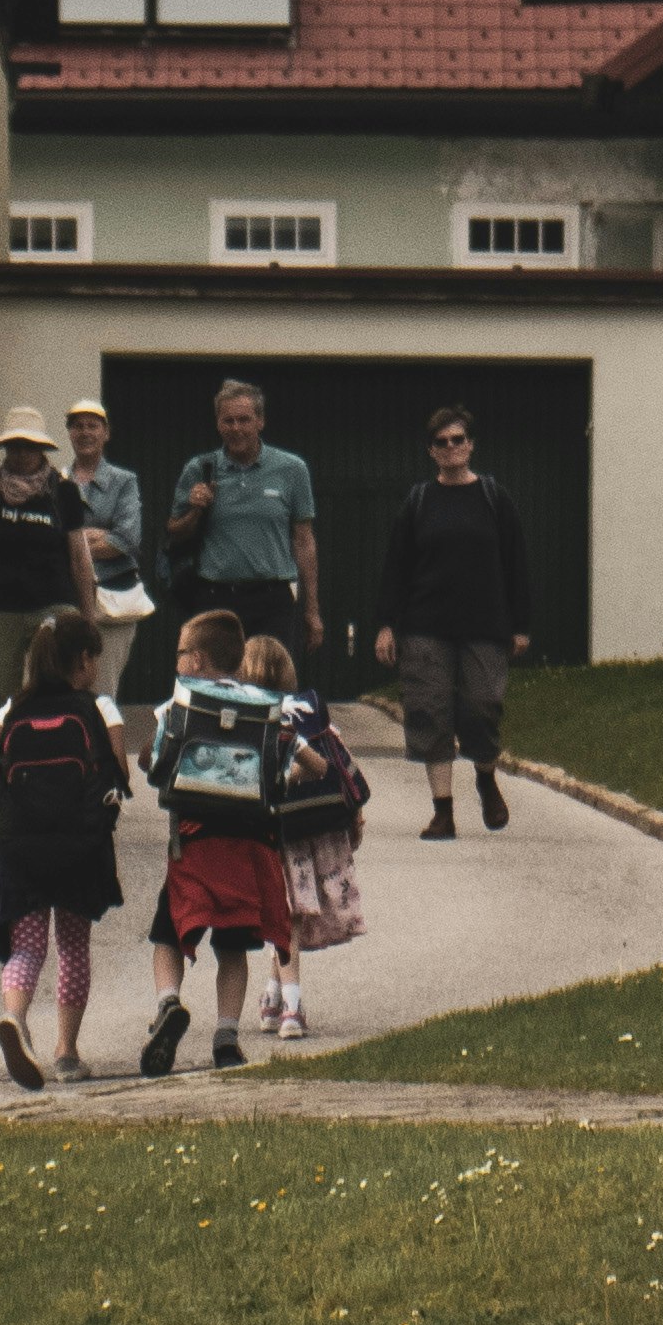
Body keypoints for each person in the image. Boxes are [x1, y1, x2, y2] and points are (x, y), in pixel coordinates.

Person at [138, 606, 297, 1079]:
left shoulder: (179, 705)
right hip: (250, 845)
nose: (177, 662)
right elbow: (282, 770)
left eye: (182, 653)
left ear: (200, 661)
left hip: (195, 843)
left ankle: (169, 1004)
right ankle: (227, 1037)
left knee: (168, 933)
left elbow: (156, 764)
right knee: (233, 949)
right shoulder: (268, 706)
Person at [0, 613, 129, 1087]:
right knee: (73, 946)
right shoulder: (100, 708)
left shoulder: (10, 711)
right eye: (95, 659)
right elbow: (118, 773)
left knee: (27, 947)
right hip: (80, 846)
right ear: (83, 660)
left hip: (21, 847)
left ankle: (15, 1020)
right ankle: (66, 1052)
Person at [372, 401, 533, 839]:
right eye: (441, 442)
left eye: (457, 439)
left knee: (482, 707)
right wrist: (387, 624)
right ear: (431, 451)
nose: (450, 447)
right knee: (429, 711)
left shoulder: (493, 498)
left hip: (484, 625)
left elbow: (516, 562)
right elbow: (397, 567)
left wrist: (520, 625)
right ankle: (442, 810)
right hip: (426, 626)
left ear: (471, 444)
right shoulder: (419, 501)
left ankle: (485, 775)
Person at [242, 633, 369, 1042]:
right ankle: (273, 994)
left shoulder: (250, 719)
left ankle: (290, 1009)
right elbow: (340, 761)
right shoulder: (312, 711)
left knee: (287, 917)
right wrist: (355, 814)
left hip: (282, 832)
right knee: (290, 917)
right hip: (322, 826)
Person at [0, 406, 102, 713]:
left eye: (28, 446)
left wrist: (88, 621)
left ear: (42, 449)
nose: (20, 454)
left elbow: (79, 560)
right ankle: (0, 757)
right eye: (14, 446)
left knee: (55, 692)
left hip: (52, 605)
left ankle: (49, 753)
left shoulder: (63, 491)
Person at [163, 377, 321, 668]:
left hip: (272, 600)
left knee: (271, 689)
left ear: (260, 421)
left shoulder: (292, 469)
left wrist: (312, 610)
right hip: (216, 598)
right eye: (228, 421)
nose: (236, 428)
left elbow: (304, 541)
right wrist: (195, 510)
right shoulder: (199, 469)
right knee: (216, 684)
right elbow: (174, 530)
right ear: (217, 423)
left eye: (244, 420)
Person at [64, 398, 152, 701]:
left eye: (93, 425)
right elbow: (49, 540)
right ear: (69, 433)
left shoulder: (124, 482)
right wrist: (97, 536)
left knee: (102, 692)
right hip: (66, 600)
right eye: (78, 426)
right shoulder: (56, 482)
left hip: (111, 603)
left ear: (106, 433)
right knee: (61, 688)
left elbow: (126, 540)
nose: (85, 432)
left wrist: (73, 541)